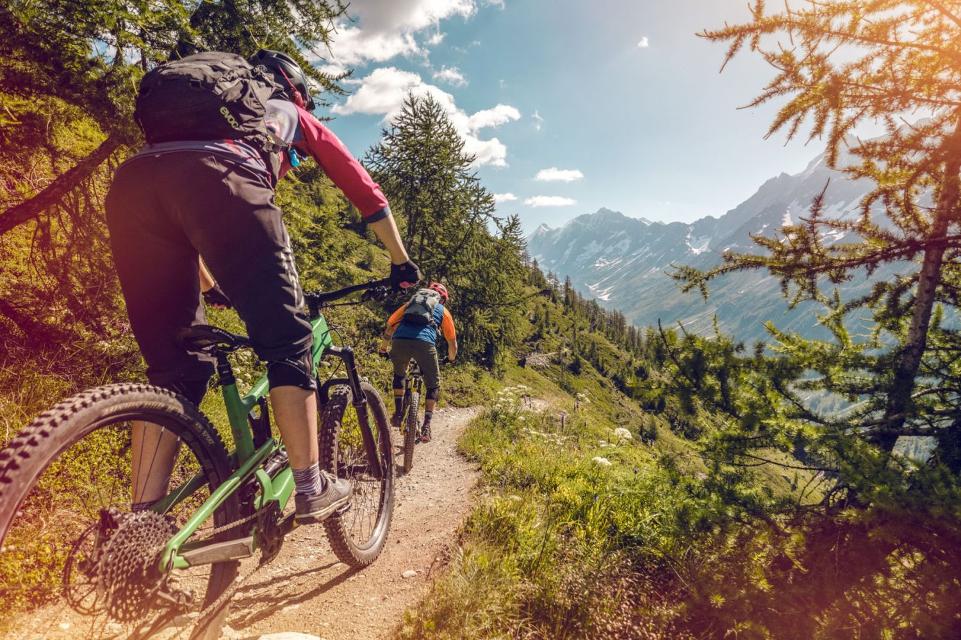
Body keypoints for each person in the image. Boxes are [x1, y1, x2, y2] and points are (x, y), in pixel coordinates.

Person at [105, 49, 421, 524]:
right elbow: (362, 187)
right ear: (292, 90)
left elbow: (178, 210)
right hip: (224, 181)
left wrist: (210, 285)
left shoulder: (195, 120)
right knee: (288, 342)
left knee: (175, 369)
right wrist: (400, 260)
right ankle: (312, 486)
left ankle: (140, 523)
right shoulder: (290, 113)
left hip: (131, 185)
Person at [379, 283, 457, 443]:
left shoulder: (409, 305)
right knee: (433, 385)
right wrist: (451, 359)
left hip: (400, 342)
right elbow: (452, 342)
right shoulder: (443, 311)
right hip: (425, 345)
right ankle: (427, 427)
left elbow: (390, 325)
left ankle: (399, 414)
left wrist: (383, 349)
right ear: (443, 299)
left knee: (399, 374)